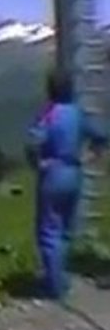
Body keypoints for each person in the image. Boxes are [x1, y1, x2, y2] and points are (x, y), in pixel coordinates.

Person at [25, 68, 108, 300]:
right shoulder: (78, 113)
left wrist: (38, 163)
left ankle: (55, 286)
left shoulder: (48, 114)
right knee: (65, 228)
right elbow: (101, 135)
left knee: (49, 228)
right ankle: (61, 276)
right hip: (75, 171)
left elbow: (33, 142)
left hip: (53, 172)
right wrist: (93, 155)